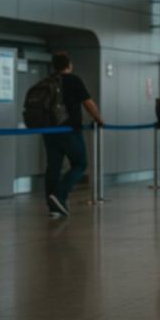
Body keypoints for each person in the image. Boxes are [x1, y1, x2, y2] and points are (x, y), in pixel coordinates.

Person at [43, 52, 104, 217]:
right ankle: (59, 195)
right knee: (80, 163)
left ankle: (53, 206)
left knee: (53, 168)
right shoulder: (74, 80)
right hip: (69, 130)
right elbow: (88, 103)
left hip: (49, 131)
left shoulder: (47, 81)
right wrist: (98, 118)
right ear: (69, 65)